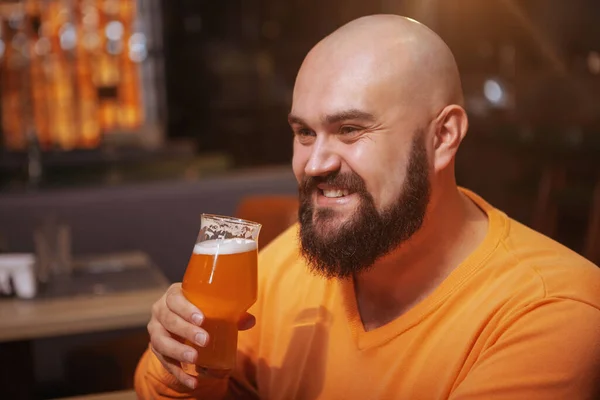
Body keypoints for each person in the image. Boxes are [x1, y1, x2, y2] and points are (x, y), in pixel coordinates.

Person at [135, 15, 600, 399]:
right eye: (304, 133)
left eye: (351, 129)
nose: (314, 163)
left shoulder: (550, 309)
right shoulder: (295, 260)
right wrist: (177, 359)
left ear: (442, 137)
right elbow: (159, 388)